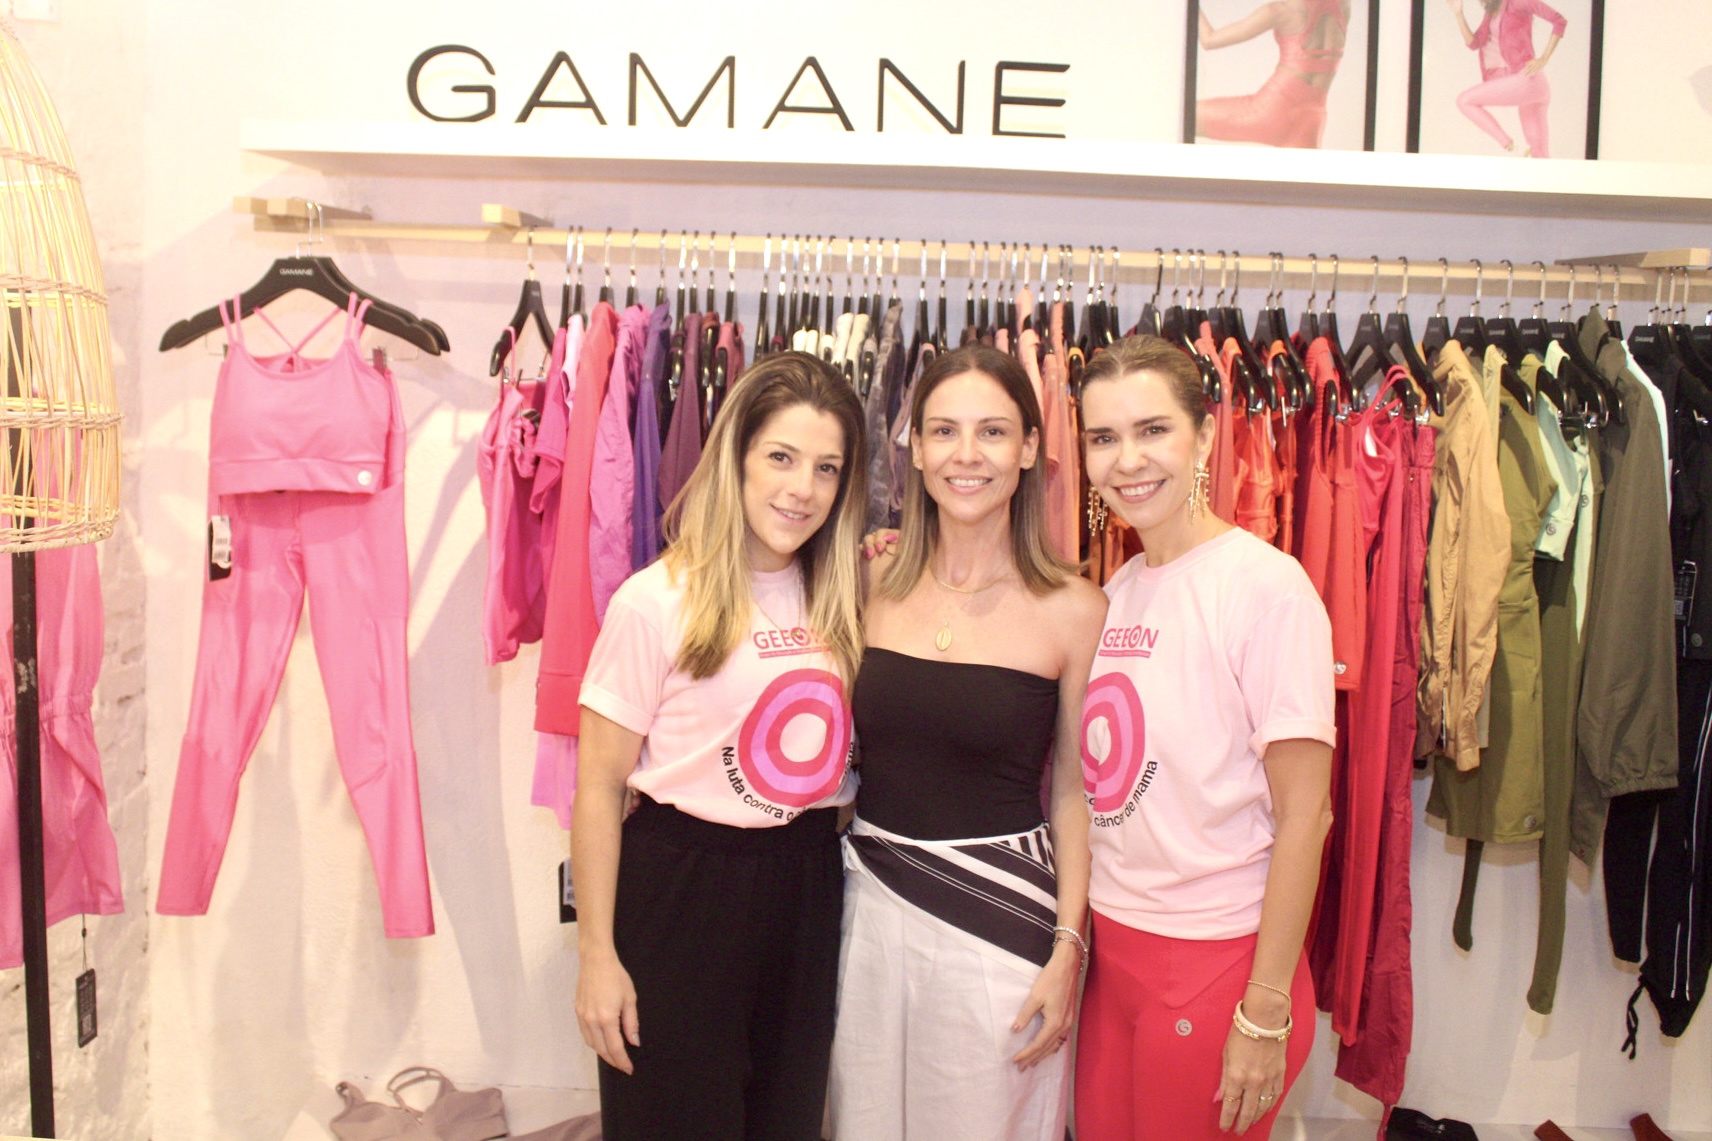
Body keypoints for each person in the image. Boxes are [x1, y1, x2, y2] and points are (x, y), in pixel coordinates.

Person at [571, 351, 867, 1141]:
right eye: (781, 457)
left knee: (786, 1122)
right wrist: (596, 955)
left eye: (827, 468)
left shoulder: (845, 596)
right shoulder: (654, 601)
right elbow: (597, 786)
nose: (802, 488)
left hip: (807, 883)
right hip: (682, 888)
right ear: (736, 457)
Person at [829, 344, 1107, 1140]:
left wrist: (1069, 947)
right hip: (867, 906)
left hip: (1001, 921)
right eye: (945, 430)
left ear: (1029, 448)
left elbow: (1074, 793)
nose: (967, 454)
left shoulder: (1076, 608)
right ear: (915, 447)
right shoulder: (867, 582)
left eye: (993, 431)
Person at [1072, 336, 1335, 1140]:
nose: (1127, 460)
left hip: (1216, 962)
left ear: (1206, 435)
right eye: (1103, 437)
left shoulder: (1266, 588)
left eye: (1153, 429)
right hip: (1115, 957)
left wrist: (1264, 1009)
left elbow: (1306, 816)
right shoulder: (1120, 587)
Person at [1196, 0, 1351, 149]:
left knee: (1186, 114)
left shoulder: (1280, 11)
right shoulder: (1343, 5)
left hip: (1269, 111)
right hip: (1312, 120)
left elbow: (1209, 40)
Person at [1445, 0, 1567, 158]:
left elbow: (1559, 21)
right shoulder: (1491, 13)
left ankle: (1511, 146)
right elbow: (1474, 44)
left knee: (1464, 100)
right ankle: (1518, 151)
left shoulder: (1519, 2)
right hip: (1534, 86)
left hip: (1528, 79)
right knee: (1540, 155)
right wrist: (1459, 14)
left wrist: (1544, 58)